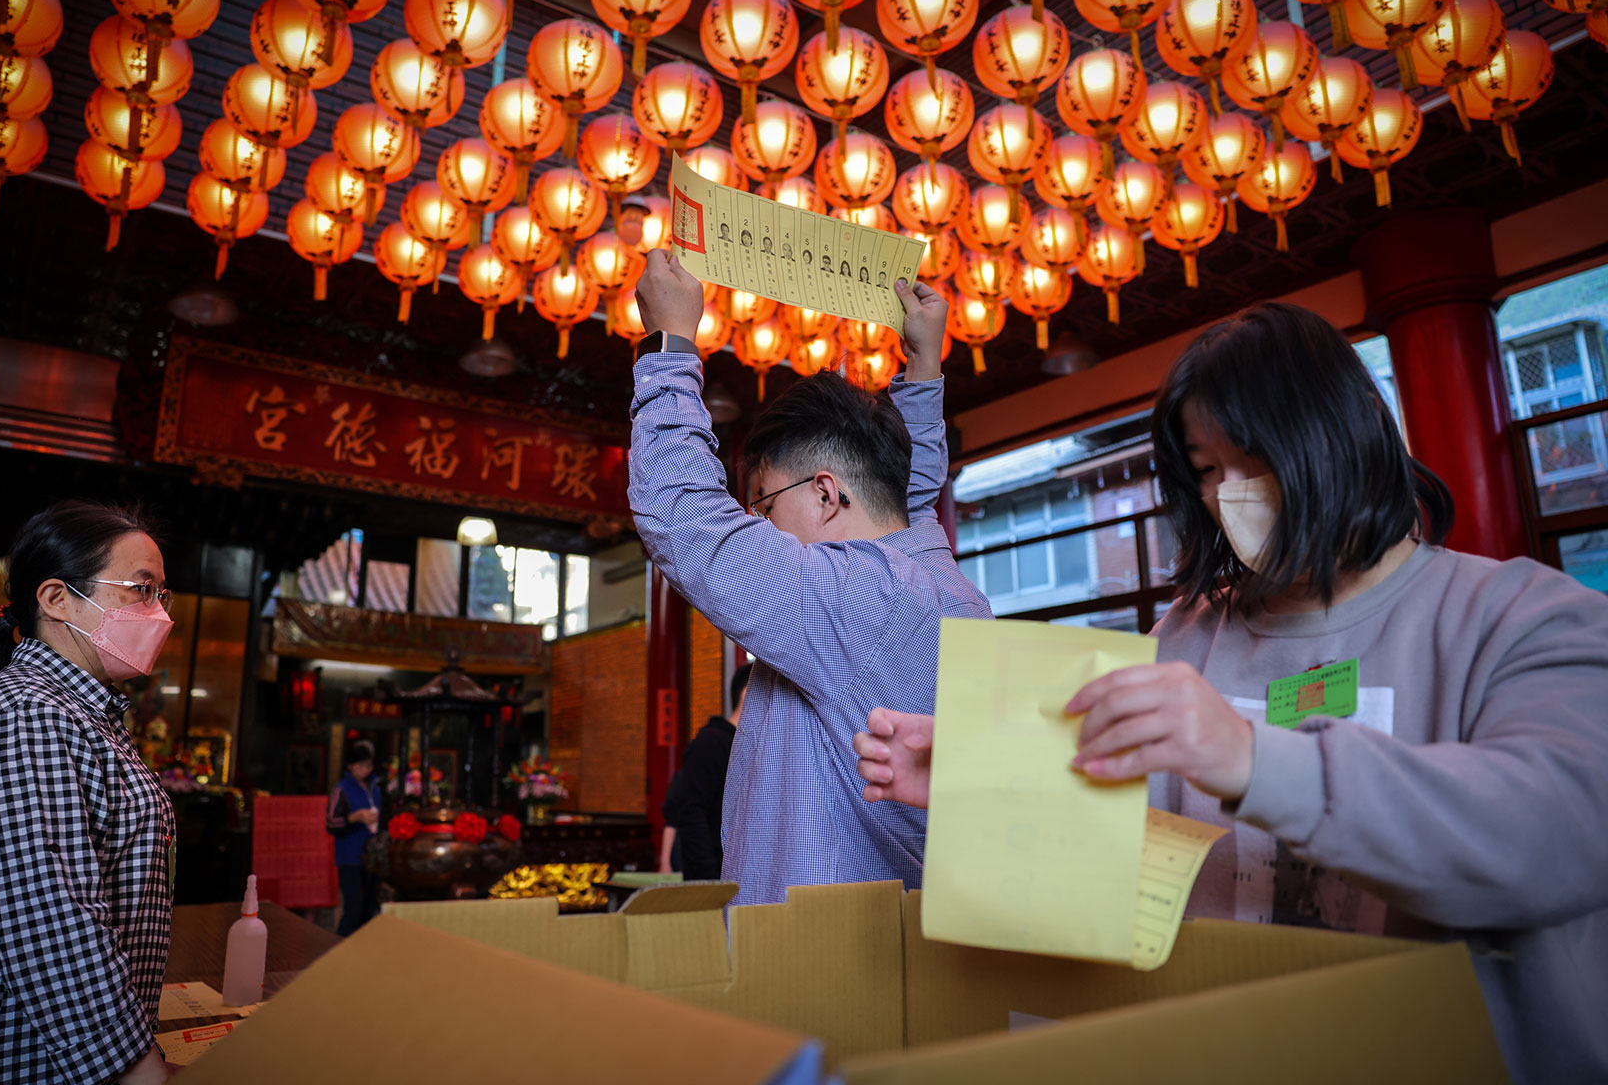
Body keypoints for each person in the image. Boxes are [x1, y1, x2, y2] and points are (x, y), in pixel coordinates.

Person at [851, 302, 1608, 1084]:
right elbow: (1106, 818)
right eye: (1208, 470)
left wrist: (1253, 761)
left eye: (1253, 459)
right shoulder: (1184, 637)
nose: (1228, 495)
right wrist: (984, 784)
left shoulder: (1523, 620)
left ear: (1339, 437)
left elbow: (1561, 835)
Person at [630, 250, 991, 907]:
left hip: (812, 974)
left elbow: (680, 514)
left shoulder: (854, 595)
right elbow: (909, 488)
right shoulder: (938, 581)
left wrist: (669, 344)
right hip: (907, 955)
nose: (759, 525)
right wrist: (925, 369)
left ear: (825, 495)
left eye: (765, 504)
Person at [0, 501, 179, 1085]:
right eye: (141, 591)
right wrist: (137, 1071)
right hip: (13, 1056)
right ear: (57, 599)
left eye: (162, 595)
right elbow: (47, 922)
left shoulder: (80, 715)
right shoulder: (24, 717)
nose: (159, 614)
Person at [661, 663, 753, 880]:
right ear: (747, 694)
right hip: (714, 875)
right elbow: (690, 811)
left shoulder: (751, 746)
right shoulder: (711, 743)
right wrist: (709, 879)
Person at [326, 738, 382, 935]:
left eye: (368, 765)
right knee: (354, 907)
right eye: (360, 765)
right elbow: (331, 823)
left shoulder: (375, 788)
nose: (365, 769)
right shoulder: (341, 789)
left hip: (373, 856)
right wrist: (354, 818)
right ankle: (338, 947)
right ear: (350, 766)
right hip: (350, 856)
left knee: (370, 907)